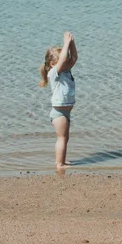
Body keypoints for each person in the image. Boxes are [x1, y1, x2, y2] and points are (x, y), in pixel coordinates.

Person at [39, 31, 78, 169]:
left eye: (66, 60)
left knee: (65, 138)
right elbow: (61, 61)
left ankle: (63, 161)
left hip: (65, 113)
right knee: (61, 138)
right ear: (52, 63)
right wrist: (66, 43)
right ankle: (59, 164)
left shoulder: (66, 71)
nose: (66, 62)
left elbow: (74, 58)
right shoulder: (54, 73)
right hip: (58, 113)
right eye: (63, 60)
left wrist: (72, 43)